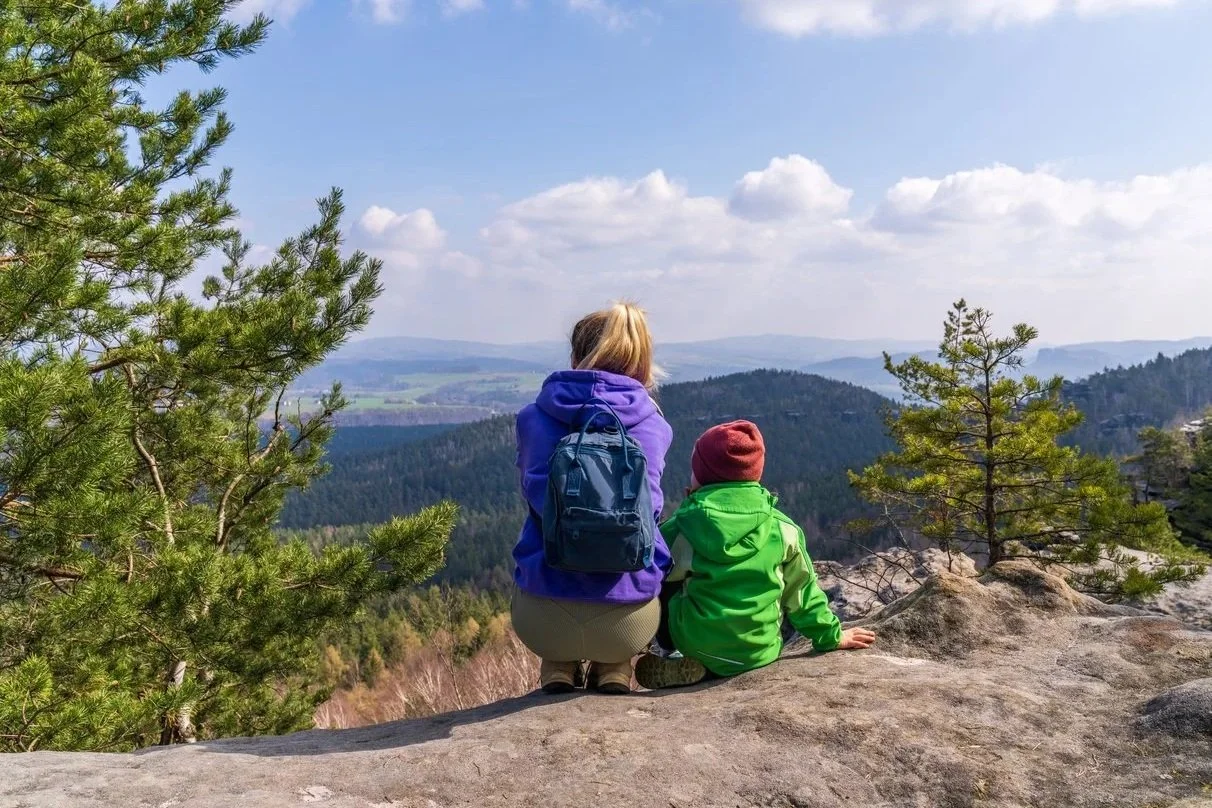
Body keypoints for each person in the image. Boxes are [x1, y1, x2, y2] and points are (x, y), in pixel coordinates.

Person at [635, 420, 875, 690]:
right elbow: (803, 595)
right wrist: (832, 637)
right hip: (760, 653)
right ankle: (722, 660)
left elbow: (650, 577)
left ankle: (677, 654)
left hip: (697, 644)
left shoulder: (682, 528)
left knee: (663, 577)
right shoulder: (783, 529)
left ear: (701, 475)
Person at [512, 302, 673, 695]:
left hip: (541, 620)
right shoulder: (652, 425)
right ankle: (614, 666)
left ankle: (557, 665)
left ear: (575, 357)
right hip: (628, 622)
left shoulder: (533, 418)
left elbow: (538, 501)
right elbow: (649, 511)